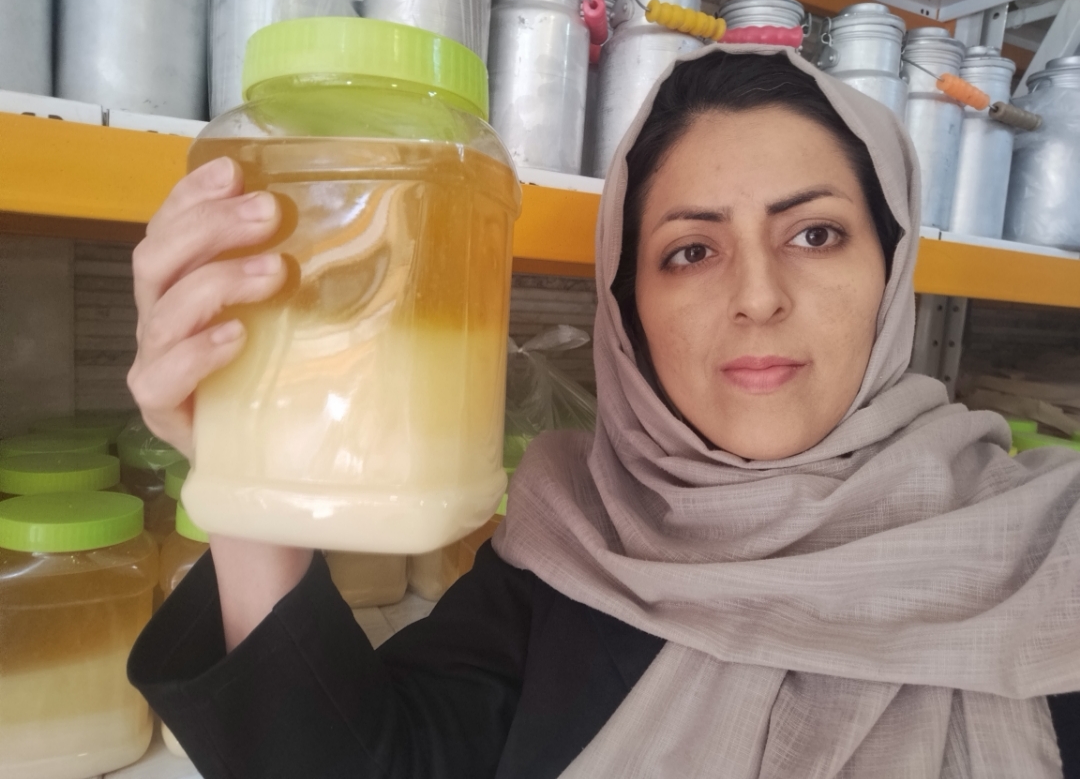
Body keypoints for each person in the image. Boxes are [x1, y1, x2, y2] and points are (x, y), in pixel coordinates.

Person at [127, 45, 1080, 778]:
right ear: (627, 312)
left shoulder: (1048, 554)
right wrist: (245, 472)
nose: (758, 297)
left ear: (892, 272)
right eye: (691, 252)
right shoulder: (566, 555)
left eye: (816, 234)